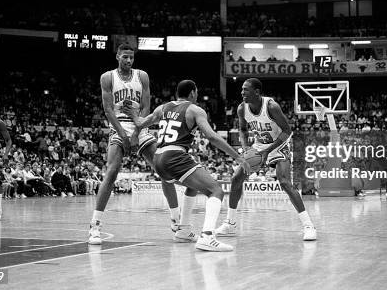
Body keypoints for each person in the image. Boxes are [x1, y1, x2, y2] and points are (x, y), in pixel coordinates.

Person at [135, 80, 249, 251]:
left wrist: (132, 114)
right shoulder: (195, 110)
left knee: (192, 187)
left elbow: (140, 123)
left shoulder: (162, 108)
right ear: (193, 93)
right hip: (174, 156)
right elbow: (211, 137)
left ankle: (184, 230)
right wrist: (238, 157)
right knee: (215, 190)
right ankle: (207, 236)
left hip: (158, 158)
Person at [88, 43, 179, 245]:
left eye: (131, 57)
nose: (129, 60)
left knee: (164, 170)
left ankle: (177, 222)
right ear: (117, 56)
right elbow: (108, 110)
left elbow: (146, 106)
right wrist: (123, 134)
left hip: (140, 125)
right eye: (125, 57)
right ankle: (95, 225)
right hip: (119, 126)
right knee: (111, 172)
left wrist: (138, 131)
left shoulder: (142, 76)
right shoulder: (108, 77)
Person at [216, 78, 317, 241]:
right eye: (242, 89)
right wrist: (246, 149)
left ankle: (308, 226)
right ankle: (230, 223)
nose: (242, 92)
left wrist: (267, 152)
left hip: (279, 144)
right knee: (236, 179)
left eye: (246, 90)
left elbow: (287, 131)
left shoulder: (271, 106)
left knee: (284, 182)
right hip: (258, 145)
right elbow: (242, 129)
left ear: (257, 92)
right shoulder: (242, 108)